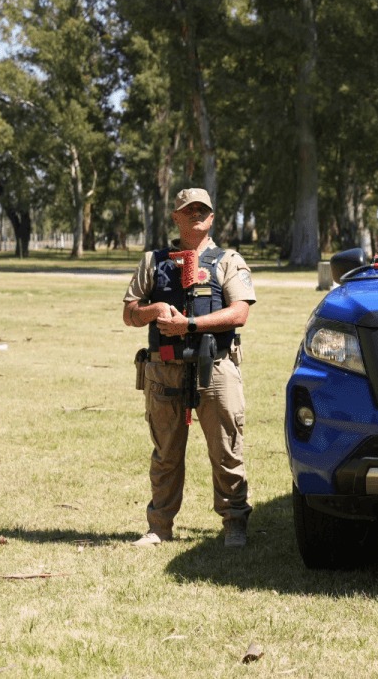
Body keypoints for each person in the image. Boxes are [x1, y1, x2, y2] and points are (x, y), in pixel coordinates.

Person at [122, 188, 255, 548]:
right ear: (176, 217)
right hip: (164, 370)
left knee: (226, 451)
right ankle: (159, 527)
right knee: (165, 453)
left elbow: (240, 312)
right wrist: (154, 310)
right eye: (188, 209)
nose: (196, 214)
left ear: (211, 217)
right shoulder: (153, 261)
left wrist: (190, 325)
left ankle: (235, 524)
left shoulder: (228, 260)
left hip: (216, 368)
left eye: (202, 209)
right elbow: (129, 313)